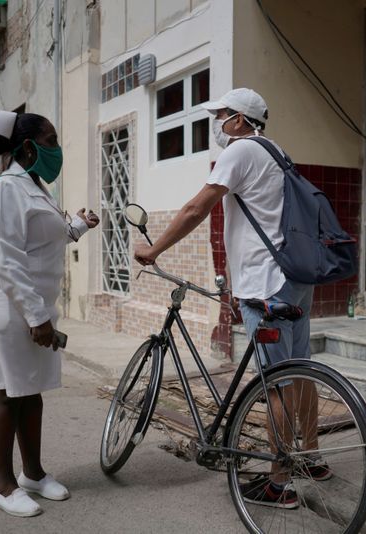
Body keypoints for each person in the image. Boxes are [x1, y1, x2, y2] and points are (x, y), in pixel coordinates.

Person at [134, 88, 328, 510]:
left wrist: (153, 250)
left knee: (274, 385)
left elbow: (196, 209)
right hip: (295, 279)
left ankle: (279, 484)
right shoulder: (276, 151)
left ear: (240, 119)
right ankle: (311, 457)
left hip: (265, 285)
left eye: (221, 116)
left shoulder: (240, 152)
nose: (217, 124)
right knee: (300, 369)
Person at [0, 110, 99, 517]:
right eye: (52, 141)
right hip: (8, 302)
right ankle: (2, 485)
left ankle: (33, 474)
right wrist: (35, 316)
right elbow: (7, 257)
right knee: (6, 391)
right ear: (28, 147)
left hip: (35, 302)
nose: (57, 150)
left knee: (31, 390)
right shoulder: (7, 188)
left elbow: (44, 239)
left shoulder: (34, 186)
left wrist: (77, 226)